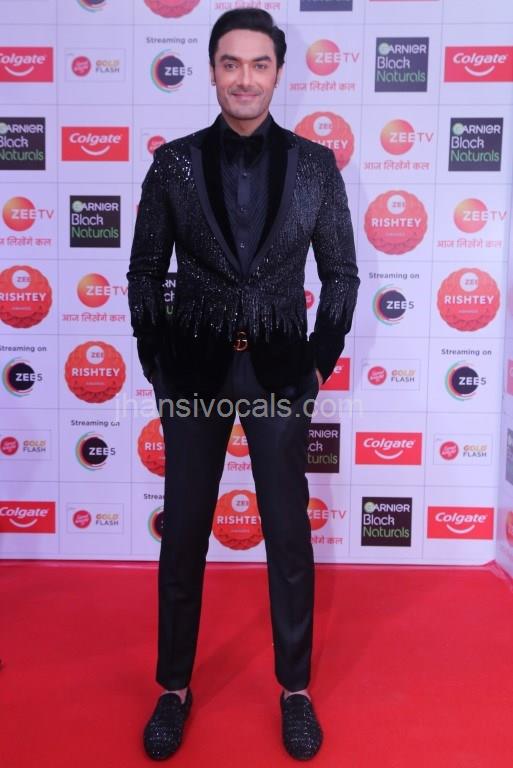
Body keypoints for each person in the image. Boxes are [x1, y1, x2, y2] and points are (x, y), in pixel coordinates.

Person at [127, 8, 359, 761]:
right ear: (212, 70)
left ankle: (295, 691)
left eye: (259, 64)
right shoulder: (173, 165)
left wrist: (318, 361)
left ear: (278, 73)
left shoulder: (316, 166)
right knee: (183, 536)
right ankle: (173, 688)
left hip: (280, 374)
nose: (245, 78)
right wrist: (156, 362)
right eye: (231, 63)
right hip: (192, 372)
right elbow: (144, 270)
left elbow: (341, 274)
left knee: (288, 537)